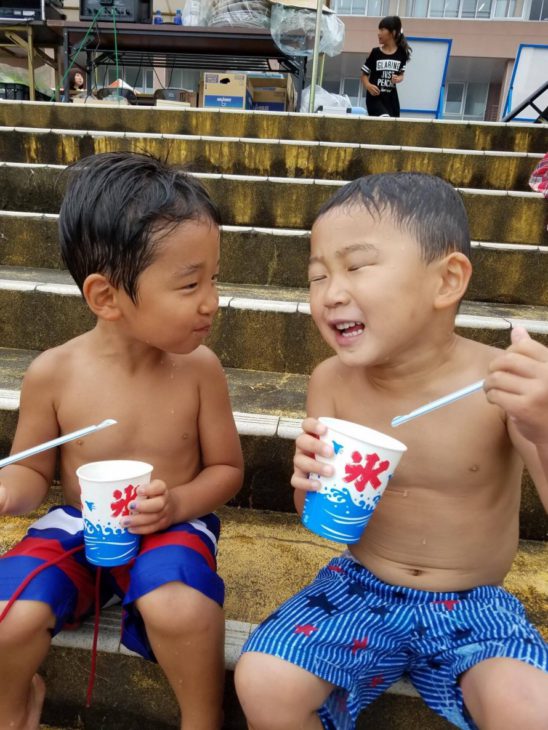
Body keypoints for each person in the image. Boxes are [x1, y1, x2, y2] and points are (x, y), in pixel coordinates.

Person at [235, 172, 548, 730]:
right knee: (262, 679)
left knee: (528, 707)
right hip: (359, 585)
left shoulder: (498, 384)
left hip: (472, 603)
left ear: (446, 280)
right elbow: (324, 520)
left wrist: (544, 424)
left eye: (356, 266)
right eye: (317, 276)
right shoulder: (331, 380)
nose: (331, 292)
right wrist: (306, 488)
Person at [0, 151, 244, 730]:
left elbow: (228, 470)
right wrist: (8, 492)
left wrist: (178, 504)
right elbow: (32, 471)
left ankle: (201, 718)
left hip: (172, 524)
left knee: (179, 606)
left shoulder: (200, 370)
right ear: (107, 296)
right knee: (8, 613)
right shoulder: (54, 373)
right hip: (80, 524)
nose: (211, 300)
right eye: (190, 283)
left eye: (213, 278)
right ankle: (13, 706)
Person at [361, 16, 411, 118]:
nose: (378, 33)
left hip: (392, 100)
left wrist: (398, 79)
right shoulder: (375, 52)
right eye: (379, 29)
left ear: (392, 32)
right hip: (375, 99)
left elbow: (401, 75)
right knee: (385, 120)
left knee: (392, 129)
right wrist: (368, 86)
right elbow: (364, 75)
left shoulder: (402, 54)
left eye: (382, 29)